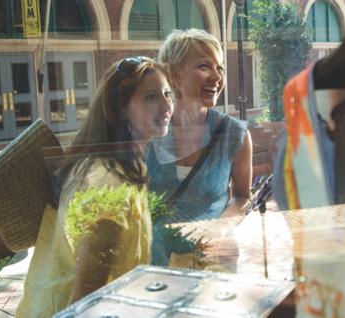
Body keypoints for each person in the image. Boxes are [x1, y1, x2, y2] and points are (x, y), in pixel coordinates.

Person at [16, 57, 174, 317]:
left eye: (167, 93)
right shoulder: (108, 184)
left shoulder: (125, 165)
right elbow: (86, 297)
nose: (167, 105)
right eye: (150, 97)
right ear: (121, 108)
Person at [146, 29, 252, 226]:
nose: (217, 77)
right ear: (173, 74)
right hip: (157, 254)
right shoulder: (147, 131)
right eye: (204, 66)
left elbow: (242, 197)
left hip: (213, 252)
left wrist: (220, 230)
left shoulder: (235, 134)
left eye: (220, 68)